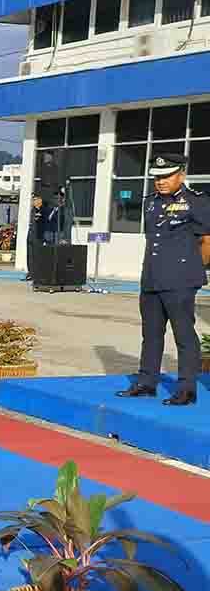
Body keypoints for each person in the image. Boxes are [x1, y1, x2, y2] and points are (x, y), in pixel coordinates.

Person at [116, 153, 210, 406]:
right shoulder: (150, 203)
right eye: (157, 177)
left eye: (166, 176)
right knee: (151, 334)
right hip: (152, 278)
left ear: (181, 175)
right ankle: (147, 383)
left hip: (180, 280)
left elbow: (207, 241)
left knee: (184, 335)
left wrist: (192, 268)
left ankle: (186, 389)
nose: (160, 181)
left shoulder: (197, 202)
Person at [23, 194, 46, 282]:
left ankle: (37, 274)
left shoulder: (43, 210)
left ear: (40, 201)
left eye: (35, 199)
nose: (33, 201)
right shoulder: (33, 210)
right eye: (33, 200)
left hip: (38, 236)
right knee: (30, 256)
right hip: (31, 236)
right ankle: (30, 273)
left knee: (37, 256)